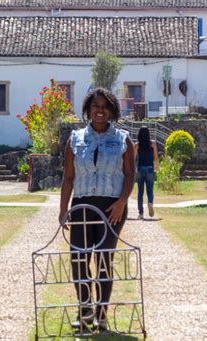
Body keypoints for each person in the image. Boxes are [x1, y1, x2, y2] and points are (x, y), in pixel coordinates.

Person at [58, 88, 135, 330]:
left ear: (112, 110)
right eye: (95, 106)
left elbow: (131, 173)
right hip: (81, 205)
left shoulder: (123, 139)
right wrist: (63, 210)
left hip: (112, 206)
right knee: (79, 259)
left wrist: (122, 201)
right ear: (88, 110)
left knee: (104, 259)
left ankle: (101, 314)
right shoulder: (76, 138)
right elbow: (68, 177)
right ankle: (85, 310)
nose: (99, 110)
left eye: (105, 106)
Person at [134, 126, 159, 219]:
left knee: (140, 192)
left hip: (140, 169)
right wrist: (156, 168)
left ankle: (140, 213)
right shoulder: (153, 144)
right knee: (150, 191)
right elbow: (156, 157)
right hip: (150, 169)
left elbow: (133, 158)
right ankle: (150, 203)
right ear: (148, 134)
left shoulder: (137, 145)